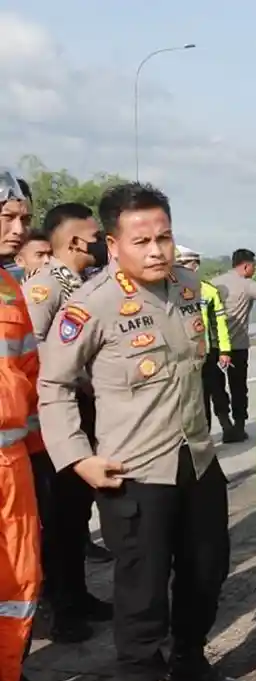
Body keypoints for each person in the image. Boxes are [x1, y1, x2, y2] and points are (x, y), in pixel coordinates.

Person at [38, 182, 248, 681]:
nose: (157, 250)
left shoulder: (187, 287)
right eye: (143, 240)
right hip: (135, 471)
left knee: (208, 572)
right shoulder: (92, 304)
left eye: (165, 236)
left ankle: (189, 661)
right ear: (112, 243)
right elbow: (53, 385)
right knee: (142, 592)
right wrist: (78, 457)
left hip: (197, 459)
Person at [22, 202, 116, 645]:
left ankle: (77, 595)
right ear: (78, 241)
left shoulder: (78, 283)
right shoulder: (45, 287)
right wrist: (78, 378)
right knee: (59, 517)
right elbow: (36, 351)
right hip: (60, 414)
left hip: (86, 410)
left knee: (77, 514)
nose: (101, 241)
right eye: (96, 234)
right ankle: (59, 608)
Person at [0, 170, 57, 681]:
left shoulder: (11, 288)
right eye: (9, 219)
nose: (20, 231)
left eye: (23, 218)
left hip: (14, 472)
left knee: (15, 601)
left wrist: (51, 455)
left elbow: (31, 377)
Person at [210, 248, 256, 442]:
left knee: (216, 387)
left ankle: (225, 424)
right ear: (246, 265)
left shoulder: (214, 283)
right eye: (253, 266)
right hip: (238, 346)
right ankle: (240, 426)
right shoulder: (247, 285)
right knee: (238, 388)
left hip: (215, 346)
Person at [176, 247, 235, 435]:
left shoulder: (208, 291)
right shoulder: (172, 293)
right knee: (195, 399)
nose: (185, 268)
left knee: (217, 391)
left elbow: (220, 324)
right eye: (181, 264)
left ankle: (227, 424)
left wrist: (225, 351)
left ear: (196, 265)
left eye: (188, 264)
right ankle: (204, 435)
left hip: (208, 353)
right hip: (184, 355)